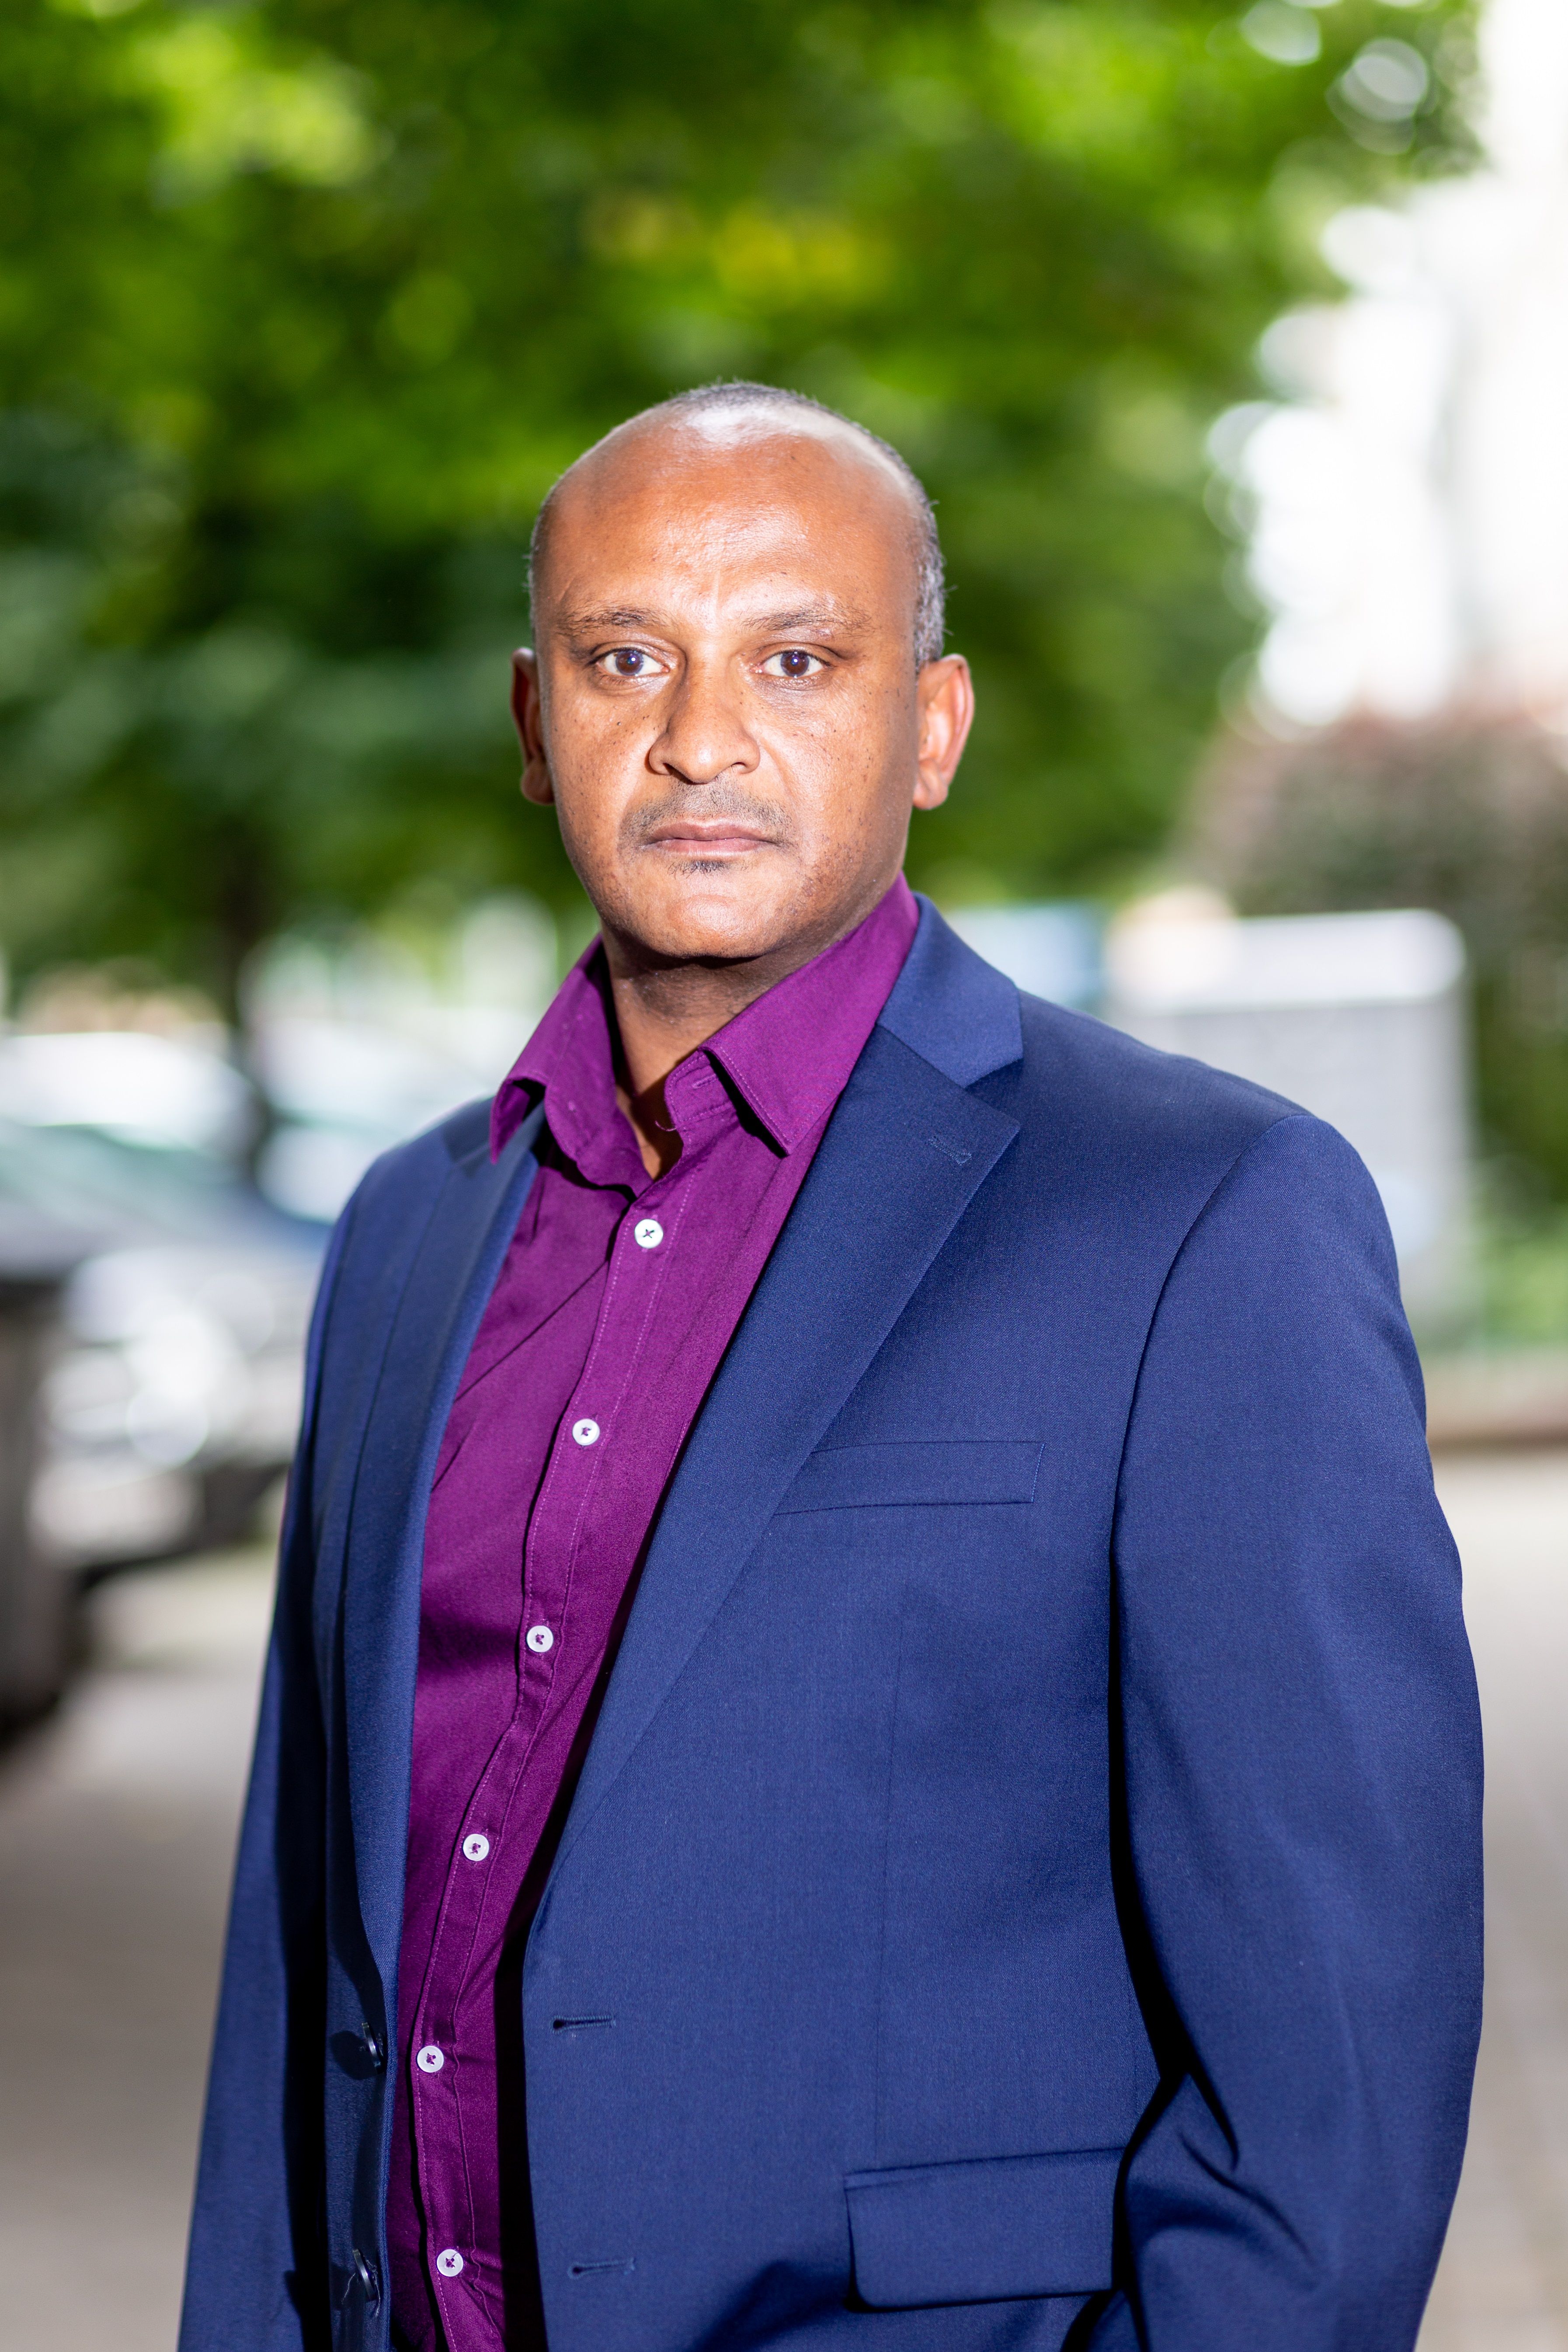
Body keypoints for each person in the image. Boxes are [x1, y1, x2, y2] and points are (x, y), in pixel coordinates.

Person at [180, 382, 1482, 2352]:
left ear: (932, 727)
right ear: (535, 722)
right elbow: (303, 1955)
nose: (701, 738)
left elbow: (1335, 2086)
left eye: (797, 658)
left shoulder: (1200, 1215)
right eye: (627, 658)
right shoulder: (403, 1234)